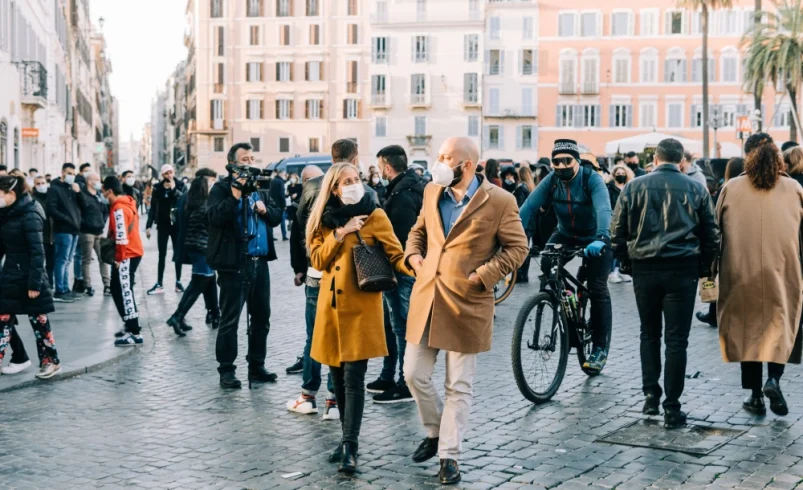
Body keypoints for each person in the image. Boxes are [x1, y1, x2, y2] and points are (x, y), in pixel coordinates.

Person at [405, 137, 527, 485]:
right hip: (428, 297)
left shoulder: (500, 201)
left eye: (446, 157)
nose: (439, 162)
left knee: (458, 385)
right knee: (413, 374)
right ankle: (434, 431)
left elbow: (518, 248)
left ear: (468, 165)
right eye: (439, 155)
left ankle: (449, 455)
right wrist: (414, 257)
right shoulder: (432, 192)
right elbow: (418, 231)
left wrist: (482, 276)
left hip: (467, 303)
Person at [307, 161, 412, 475]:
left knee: (354, 380)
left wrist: (418, 268)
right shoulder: (323, 219)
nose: (354, 184)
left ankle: (350, 447)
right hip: (330, 311)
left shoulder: (375, 215)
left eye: (356, 179)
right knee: (337, 381)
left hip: (361, 311)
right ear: (335, 189)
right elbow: (317, 260)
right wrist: (341, 232)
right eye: (346, 181)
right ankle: (344, 439)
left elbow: (396, 254)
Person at [610, 138, 719, 429]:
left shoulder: (634, 187)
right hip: (682, 269)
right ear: (681, 161)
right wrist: (706, 268)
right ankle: (672, 406)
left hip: (645, 268)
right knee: (676, 340)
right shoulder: (696, 187)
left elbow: (617, 231)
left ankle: (650, 395)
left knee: (649, 334)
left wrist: (626, 262)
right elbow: (711, 234)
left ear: (655, 159)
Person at [717, 134, 803, 417]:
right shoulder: (793, 188)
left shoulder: (732, 186)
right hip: (784, 269)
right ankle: (773, 380)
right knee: (781, 324)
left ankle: (755, 396)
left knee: (748, 329)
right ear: (779, 160)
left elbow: (717, 227)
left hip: (741, 270)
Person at [520, 139, 614, 373]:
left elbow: (604, 209)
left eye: (567, 161)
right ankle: (565, 297)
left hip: (595, 237)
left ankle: (599, 347)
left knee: (597, 287)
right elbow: (528, 208)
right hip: (565, 234)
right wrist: (514, 235)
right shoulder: (551, 181)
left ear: (577, 161)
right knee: (546, 264)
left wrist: (602, 237)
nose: (561, 166)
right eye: (556, 161)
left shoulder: (592, 180)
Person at [207, 143, 282, 389]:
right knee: (230, 320)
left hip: (260, 263)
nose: (249, 162)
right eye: (244, 159)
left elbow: (276, 216)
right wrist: (236, 195)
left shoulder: (260, 188)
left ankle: (257, 366)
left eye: (252, 157)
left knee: (262, 317)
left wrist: (265, 209)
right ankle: (226, 370)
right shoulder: (220, 188)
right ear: (232, 164)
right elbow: (214, 217)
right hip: (234, 264)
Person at [367, 144, 426, 404]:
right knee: (391, 324)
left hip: (401, 269)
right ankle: (389, 374)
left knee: (400, 325)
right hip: (400, 269)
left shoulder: (403, 194)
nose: (379, 170)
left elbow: (400, 238)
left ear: (387, 167)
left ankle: (404, 382)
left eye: (380, 166)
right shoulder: (411, 186)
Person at [286, 164, 340, 419]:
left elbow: (298, 234)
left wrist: (299, 267)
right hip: (337, 277)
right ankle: (334, 399)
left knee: (314, 336)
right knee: (335, 336)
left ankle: (309, 395)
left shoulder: (308, 198)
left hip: (315, 275)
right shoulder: (349, 194)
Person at [0, 174, 62, 379]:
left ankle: (51, 362)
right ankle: (19, 358)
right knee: (2, 318)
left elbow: (38, 252)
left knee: (39, 320)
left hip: (30, 277)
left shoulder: (30, 213)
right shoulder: (6, 213)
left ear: (11, 193)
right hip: (10, 275)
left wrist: (34, 283)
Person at [167, 168, 220, 336]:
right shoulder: (203, 205)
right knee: (198, 283)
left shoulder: (192, 201)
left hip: (197, 248)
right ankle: (178, 316)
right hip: (201, 248)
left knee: (209, 278)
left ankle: (214, 313)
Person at [696, 157, 744, 328]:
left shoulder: (726, 189)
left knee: (717, 278)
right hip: (743, 243)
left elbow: (714, 218)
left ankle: (714, 313)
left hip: (725, 242)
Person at [101, 177, 146, 346]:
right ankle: (129, 324)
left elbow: (121, 236)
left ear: (109, 191)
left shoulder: (119, 208)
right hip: (131, 252)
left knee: (124, 290)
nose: (102, 194)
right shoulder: (127, 203)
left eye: (103, 190)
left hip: (127, 254)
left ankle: (134, 331)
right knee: (117, 288)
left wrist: (119, 257)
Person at [146, 164, 186, 295]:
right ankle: (159, 283)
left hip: (176, 225)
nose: (169, 175)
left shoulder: (180, 185)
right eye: (166, 173)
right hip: (162, 225)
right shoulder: (157, 188)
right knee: (161, 254)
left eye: (171, 172)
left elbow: (183, 201)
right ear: (162, 175)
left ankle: (178, 282)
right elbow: (153, 207)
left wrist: (174, 189)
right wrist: (148, 225)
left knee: (177, 254)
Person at [46, 163, 82, 303]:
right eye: (68, 173)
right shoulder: (54, 189)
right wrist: (67, 219)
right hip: (63, 230)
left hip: (74, 229)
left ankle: (66, 289)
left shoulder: (72, 188)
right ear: (62, 172)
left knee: (67, 260)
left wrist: (78, 192)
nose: (71, 176)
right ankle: (60, 290)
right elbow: (51, 209)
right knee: (61, 260)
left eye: (73, 173)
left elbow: (82, 206)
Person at [77, 172, 110, 297]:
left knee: (104, 258)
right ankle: (87, 286)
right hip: (87, 231)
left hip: (99, 231)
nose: (99, 182)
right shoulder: (83, 194)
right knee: (86, 260)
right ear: (90, 181)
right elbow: (82, 208)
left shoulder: (99, 195)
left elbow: (105, 210)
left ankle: (107, 285)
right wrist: (84, 223)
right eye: (97, 180)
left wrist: (102, 221)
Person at [607, 164, 635, 284]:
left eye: (622, 174)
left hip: (627, 220)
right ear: (613, 175)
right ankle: (612, 272)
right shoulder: (609, 188)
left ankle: (621, 270)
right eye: (618, 174)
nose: (620, 175)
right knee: (614, 245)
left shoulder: (630, 186)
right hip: (613, 219)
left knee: (624, 245)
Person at [31, 176, 54, 287]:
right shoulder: (33, 199)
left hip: (52, 236)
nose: (41, 185)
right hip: (41, 235)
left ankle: (50, 283)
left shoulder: (51, 197)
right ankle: (43, 284)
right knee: (41, 263)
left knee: (51, 263)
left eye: (43, 183)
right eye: (38, 183)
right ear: (34, 185)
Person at [270, 169, 289, 241]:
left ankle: (271, 236)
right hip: (280, 204)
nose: (285, 176)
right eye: (284, 175)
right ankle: (284, 236)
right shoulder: (280, 182)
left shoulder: (273, 181)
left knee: (271, 220)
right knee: (282, 221)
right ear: (281, 174)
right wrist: (284, 205)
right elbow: (281, 195)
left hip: (272, 203)